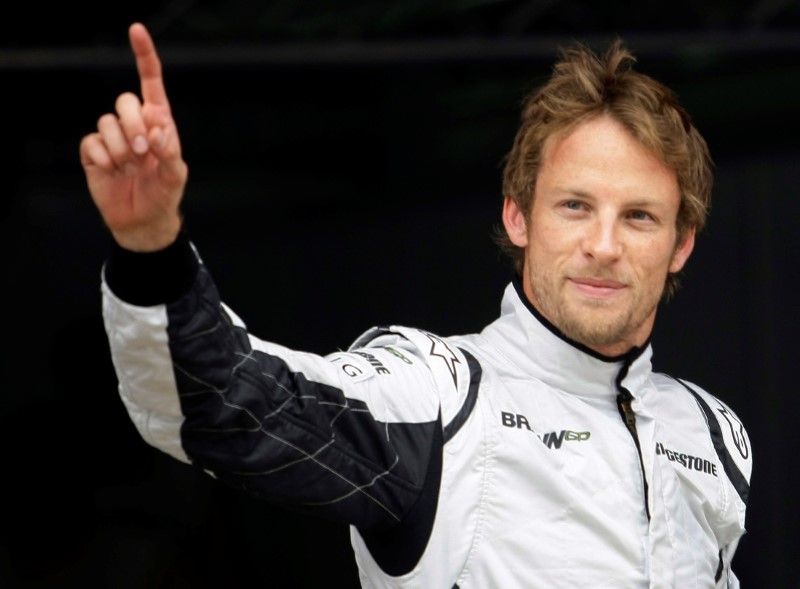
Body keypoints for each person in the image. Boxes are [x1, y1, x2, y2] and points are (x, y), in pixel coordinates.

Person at [81, 22, 752, 588]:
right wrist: (151, 246)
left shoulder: (715, 434)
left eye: (638, 216)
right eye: (574, 206)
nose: (603, 245)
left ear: (681, 243)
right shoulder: (437, 396)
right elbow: (226, 402)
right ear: (518, 216)